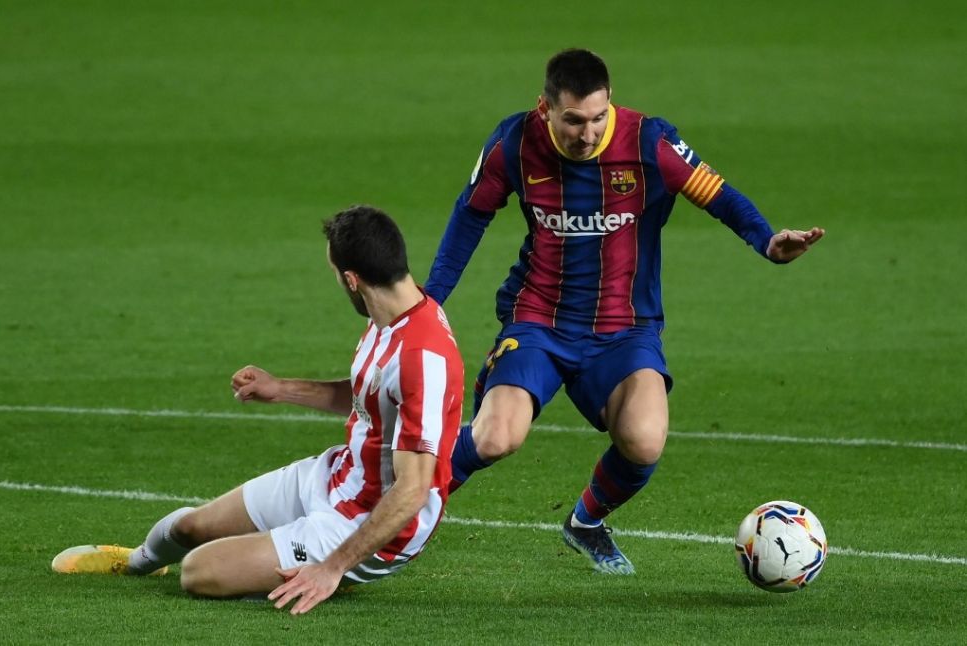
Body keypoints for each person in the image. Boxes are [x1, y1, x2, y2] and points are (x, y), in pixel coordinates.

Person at [425, 48, 824, 575]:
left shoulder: (649, 142)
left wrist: (767, 240)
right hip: (539, 318)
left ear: (609, 103)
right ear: (545, 108)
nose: (587, 134)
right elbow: (468, 219)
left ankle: (585, 522)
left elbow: (719, 195)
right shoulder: (515, 143)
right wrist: (427, 304)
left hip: (625, 328)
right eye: (572, 120)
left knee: (643, 440)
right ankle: (405, 504)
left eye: (597, 118)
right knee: (498, 436)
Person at [52, 205, 465, 615]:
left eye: (337, 275)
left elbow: (412, 489)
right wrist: (280, 388)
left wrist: (332, 567)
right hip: (340, 476)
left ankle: (303, 566)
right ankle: (137, 561)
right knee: (191, 527)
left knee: (199, 571)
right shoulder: (390, 313)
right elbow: (370, 395)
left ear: (353, 279)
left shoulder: (422, 355)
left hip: (368, 523)